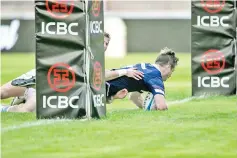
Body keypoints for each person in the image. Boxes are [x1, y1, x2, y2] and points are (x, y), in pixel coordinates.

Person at [0, 32, 144, 112]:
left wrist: (111, 98)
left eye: (107, 43)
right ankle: (25, 93)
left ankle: (16, 102)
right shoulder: (82, 52)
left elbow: (93, 85)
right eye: (102, 41)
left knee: (27, 110)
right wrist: (125, 71)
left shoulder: (97, 62)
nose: (104, 45)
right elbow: (98, 74)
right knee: (3, 92)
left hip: (51, 91)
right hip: (41, 76)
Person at [106, 47, 179, 111]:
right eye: (172, 71)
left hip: (101, 85)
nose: (170, 75)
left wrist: (145, 108)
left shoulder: (145, 67)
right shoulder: (155, 76)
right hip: (102, 90)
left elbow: (134, 97)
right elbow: (161, 106)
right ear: (168, 66)